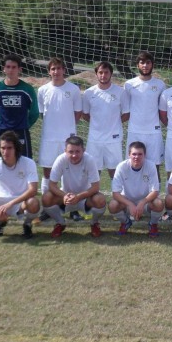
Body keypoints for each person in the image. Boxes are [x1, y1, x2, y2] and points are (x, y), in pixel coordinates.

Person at [36, 57, 83, 220]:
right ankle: (47, 208)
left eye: (59, 68)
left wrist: (66, 129)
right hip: (49, 138)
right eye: (53, 69)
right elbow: (42, 113)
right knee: (48, 172)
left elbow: (78, 113)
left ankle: (72, 208)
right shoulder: (42, 90)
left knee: (68, 173)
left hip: (67, 139)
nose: (56, 72)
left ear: (64, 70)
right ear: (49, 71)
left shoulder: (74, 89)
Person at [41, 136, 107, 238]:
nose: (74, 155)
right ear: (65, 151)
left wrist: (78, 197)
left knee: (100, 199)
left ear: (83, 150)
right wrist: (64, 195)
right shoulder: (60, 159)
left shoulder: (89, 160)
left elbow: (95, 187)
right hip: (66, 198)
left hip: (85, 198)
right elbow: (52, 185)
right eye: (70, 152)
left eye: (77, 151)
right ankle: (60, 223)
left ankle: (94, 223)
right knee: (46, 198)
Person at [82, 61, 130, 187]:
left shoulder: (121, 92)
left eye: (106, 72)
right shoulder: (89, 93)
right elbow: (85, 114)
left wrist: (112, 123)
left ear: (111, 74)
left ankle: (118, 197)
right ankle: (92, 197)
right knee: (93, 170)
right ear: (96, 74)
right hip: (94, 138)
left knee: (115, 170)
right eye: (100, 72)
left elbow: (126, 114)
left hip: (113, 138)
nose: (103, 75)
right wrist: (98, 124)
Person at [124, 51, 166, 180]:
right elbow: (126, 109)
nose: (145, 65)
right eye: (142, 62)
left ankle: (156, 196)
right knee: (132, 165)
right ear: (137, 65)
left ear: (152, 65)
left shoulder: (160, 85)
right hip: (134, 130)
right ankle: (130, 196)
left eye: (148, 62)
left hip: (153, 131)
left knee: (154, 166)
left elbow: (162, 109)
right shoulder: (129, 84)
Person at [0, 53, 39, 160]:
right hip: (2, 130)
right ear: (3, 69)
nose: (11, 70)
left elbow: (34, 112)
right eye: (8, 67)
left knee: (25, 161)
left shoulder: (27, 89)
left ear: (19, 69)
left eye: (14, 67)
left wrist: (25, 124)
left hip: (21, 131)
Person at [110, 141, 164, 238]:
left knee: (158, 203)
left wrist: (142, 202)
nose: (137, 157)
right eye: (134, 154)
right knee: (113, 205)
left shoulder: (151, 166)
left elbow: (155, 191)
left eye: (140, 154)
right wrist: (130, 204)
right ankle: (125, 222)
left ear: (144, 155)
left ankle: (153, 224)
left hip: (145, 203)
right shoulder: (121, 167)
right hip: (127, 202)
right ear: (129, 154)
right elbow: (115, 193)